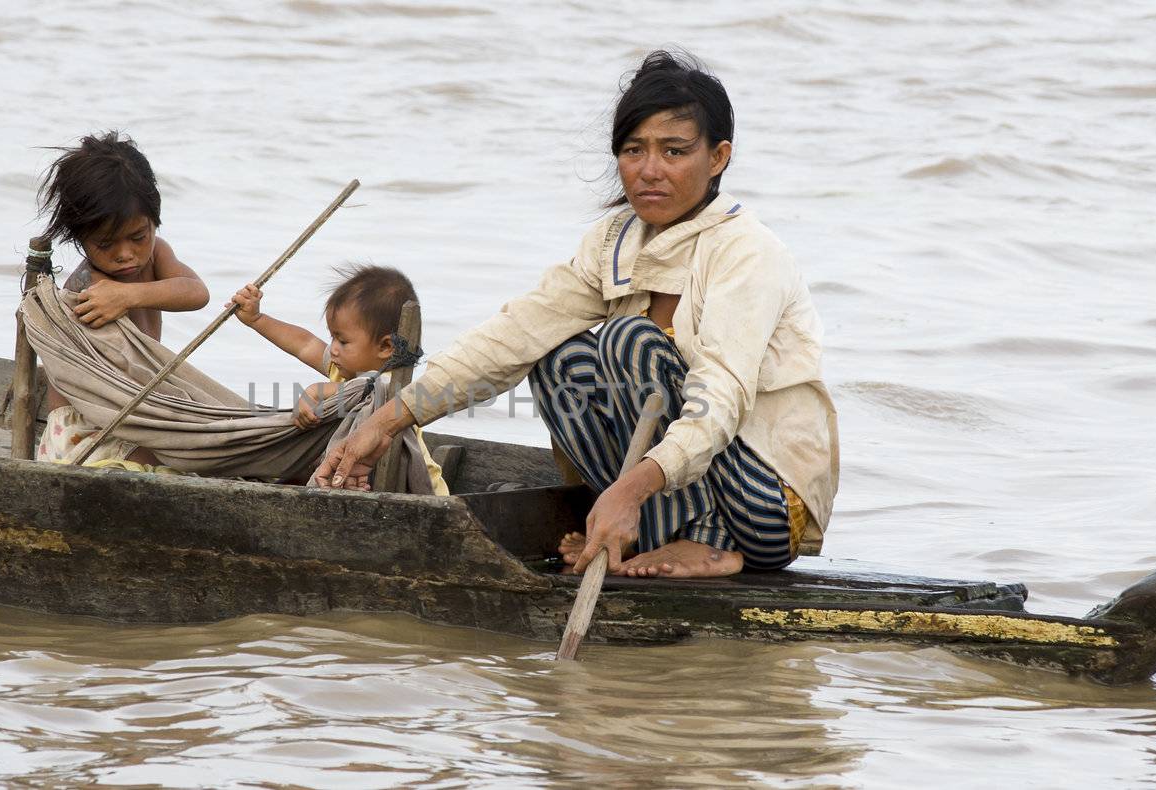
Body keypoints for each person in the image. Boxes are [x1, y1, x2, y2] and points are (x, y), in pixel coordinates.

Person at [315, 50, 838, 578]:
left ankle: (701, 541)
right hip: (658, 501)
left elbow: (719, 401)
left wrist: (626, 492)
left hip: (763, 507)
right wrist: (386, 421)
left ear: (718, 157)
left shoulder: (747, 252)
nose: (650, 171)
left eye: (674, 151)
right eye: (634, 150)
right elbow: (515, 335)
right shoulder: (614, 244)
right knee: (557, 356)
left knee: (628, 341)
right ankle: (646, 535)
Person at [32, 131, 210, 468]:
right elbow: (102, 388)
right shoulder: (86, 291)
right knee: (177, 462)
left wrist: (129, 295)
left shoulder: (155, 255)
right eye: (105, 244)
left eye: (138, 236)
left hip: (137, 412)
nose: (126, 254)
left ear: (153, 223)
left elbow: (196, 292)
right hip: (87, 429)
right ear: (80, 239)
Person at [227, 265, 450, 495]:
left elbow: (367, 392)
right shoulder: (345, 368)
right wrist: (257, 319)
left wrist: (317, 391)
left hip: (418, 489)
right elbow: (305, 344)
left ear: (385, 347)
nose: (333, 349)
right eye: (333, 337)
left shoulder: (393, 383)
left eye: (343, 341)